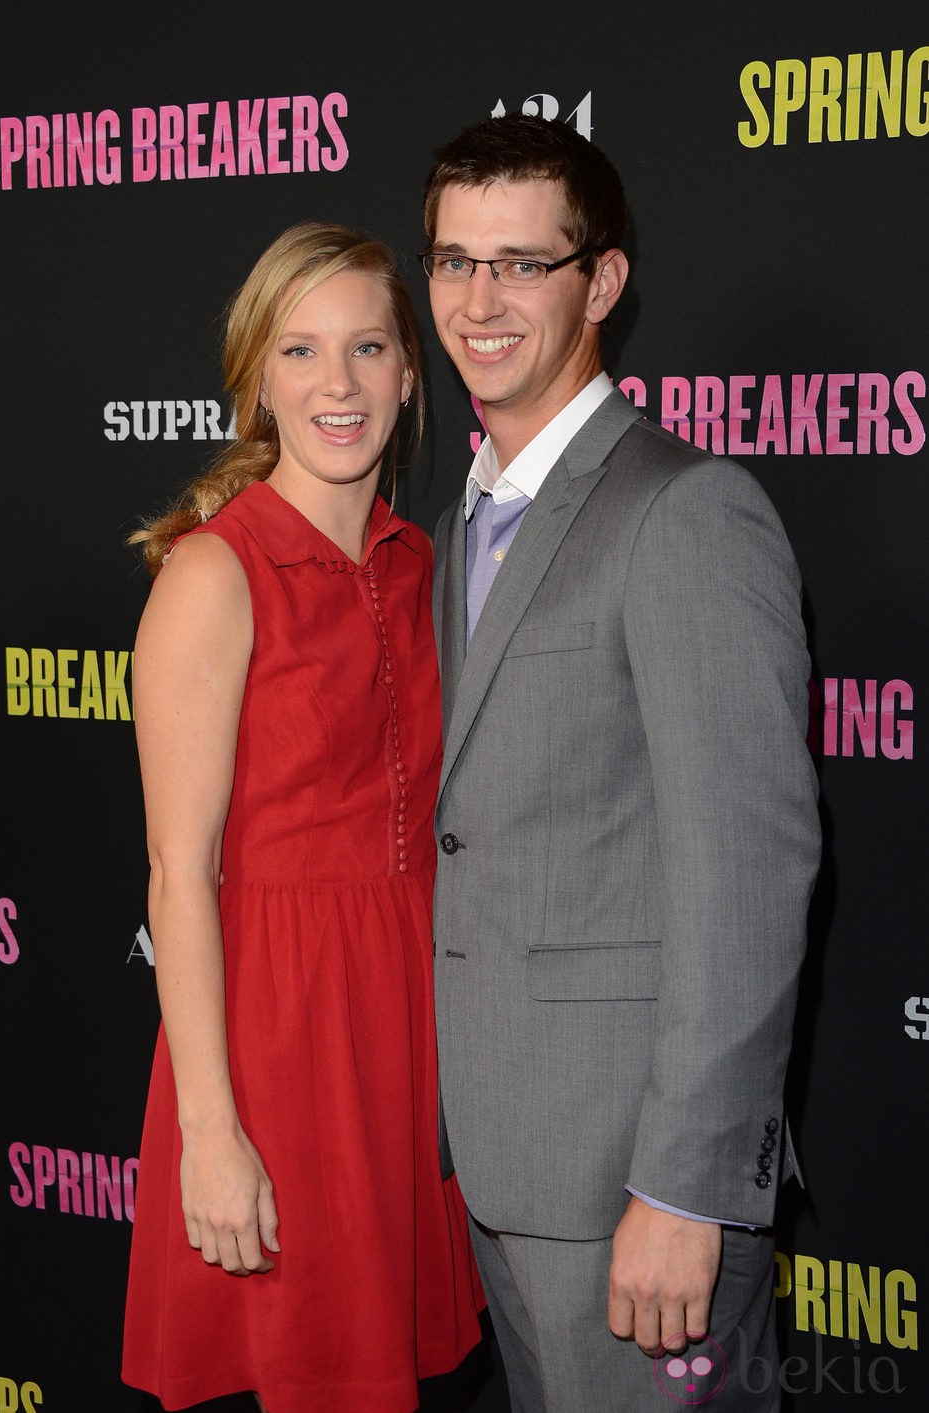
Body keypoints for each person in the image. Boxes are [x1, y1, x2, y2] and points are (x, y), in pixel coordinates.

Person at [420, 113, 820, 1412]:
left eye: (522, 263)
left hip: (631, 1190)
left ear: (600, 282)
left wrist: (686, 1184)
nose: (481, 301)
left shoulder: (684, 510)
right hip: (500, 1167)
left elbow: (747, 877)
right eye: (453, 261)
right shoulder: (458, 523)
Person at [121, 223, 482, 1413]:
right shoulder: (212, 576)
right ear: (258, 382)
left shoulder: (426, 566)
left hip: (409, 1031)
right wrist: (209, 1135)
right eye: (301, 352)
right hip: (274, 1043)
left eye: (368, 347)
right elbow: (178, 879)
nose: (338, 384)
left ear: (409, 372)